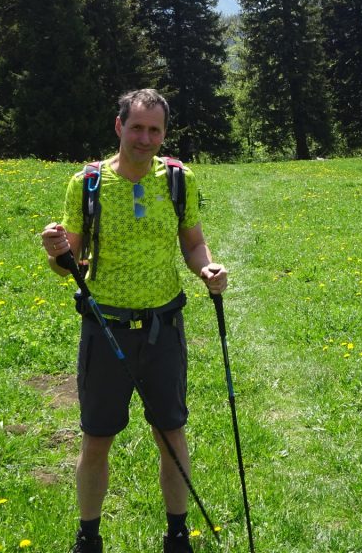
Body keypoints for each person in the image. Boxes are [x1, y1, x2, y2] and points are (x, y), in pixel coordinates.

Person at [41, 88, 228, 553]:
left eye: (155, 130)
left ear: (164, 133)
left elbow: (193, 243)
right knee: (97, 438)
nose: (146, 138)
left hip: (164, 324)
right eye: (138, 127)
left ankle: (178, 534)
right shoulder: (87, 183)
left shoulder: (179, 180)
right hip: (106, 327)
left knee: (170, 432)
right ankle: (88, 537)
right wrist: (58, 253)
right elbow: (74, 260)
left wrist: (207, 267)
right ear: (119, 126)